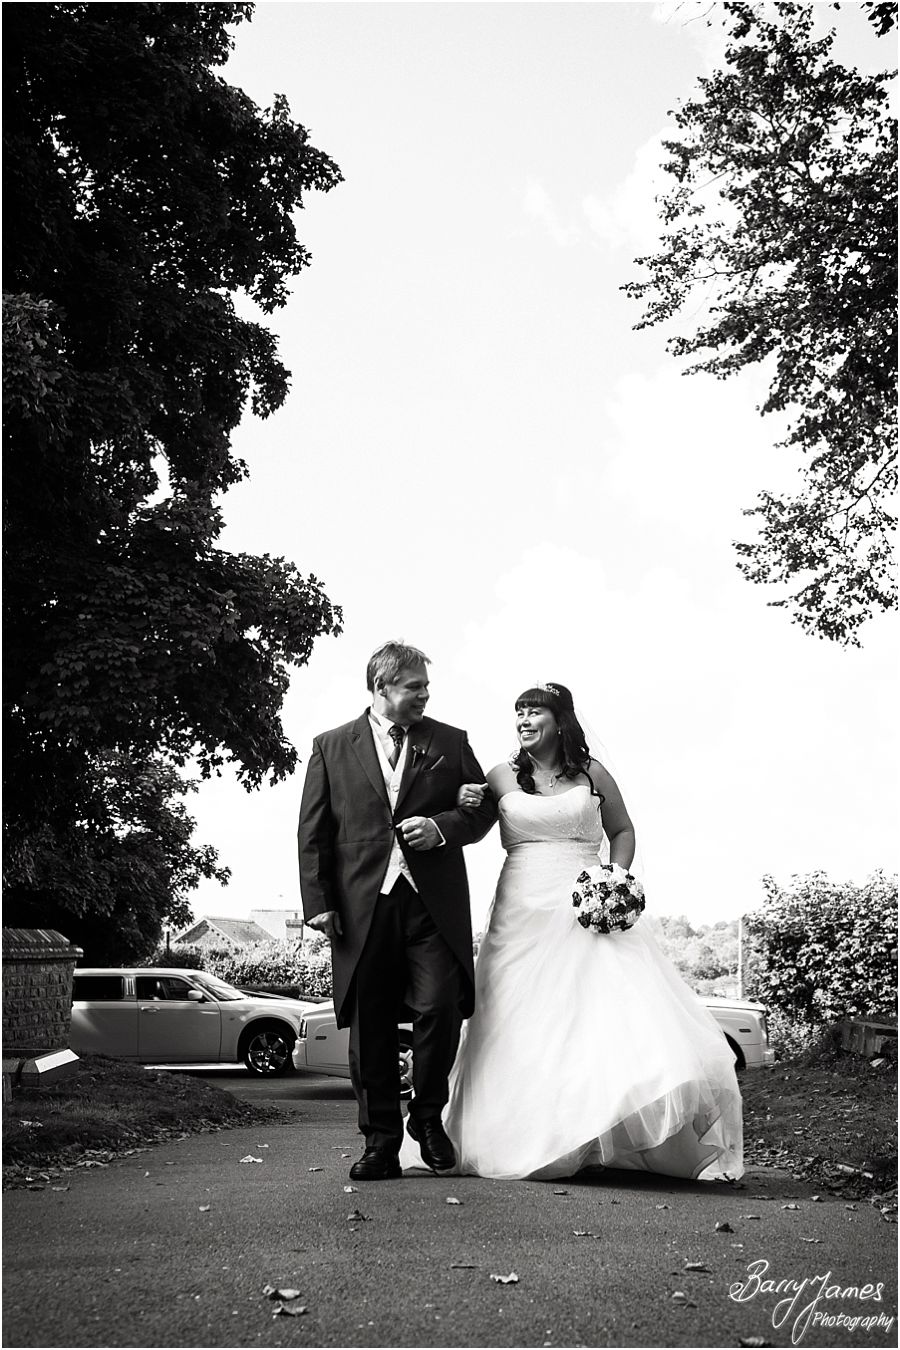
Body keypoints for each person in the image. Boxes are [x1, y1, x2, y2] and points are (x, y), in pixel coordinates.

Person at [401, 681, 743, 1182]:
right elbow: (464, 814)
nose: (522, 719)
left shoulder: (592, 774)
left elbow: (622, 831)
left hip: (586, 905)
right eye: (517, 712)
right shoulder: (497, 775)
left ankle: (594, 1132)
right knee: (516, 1018)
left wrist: (614, 877)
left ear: (559, 721)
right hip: (520, 909)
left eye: (533, 711)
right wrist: (461, 797)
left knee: (601, 1014)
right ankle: (522, 1134)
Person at [298, 641, 498, 1181]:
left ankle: (427, 1119)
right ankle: (380, 1143)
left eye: (426, 688)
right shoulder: (330, 746)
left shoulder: (450, 742)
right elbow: (313, 831)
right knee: (372, 1028)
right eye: (414, 687)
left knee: (439, 1008)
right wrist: (318, 903)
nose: (424, 697)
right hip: (362, 907)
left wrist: (442, 828)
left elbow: (482, 814)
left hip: (432, 904)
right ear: (381, 687)